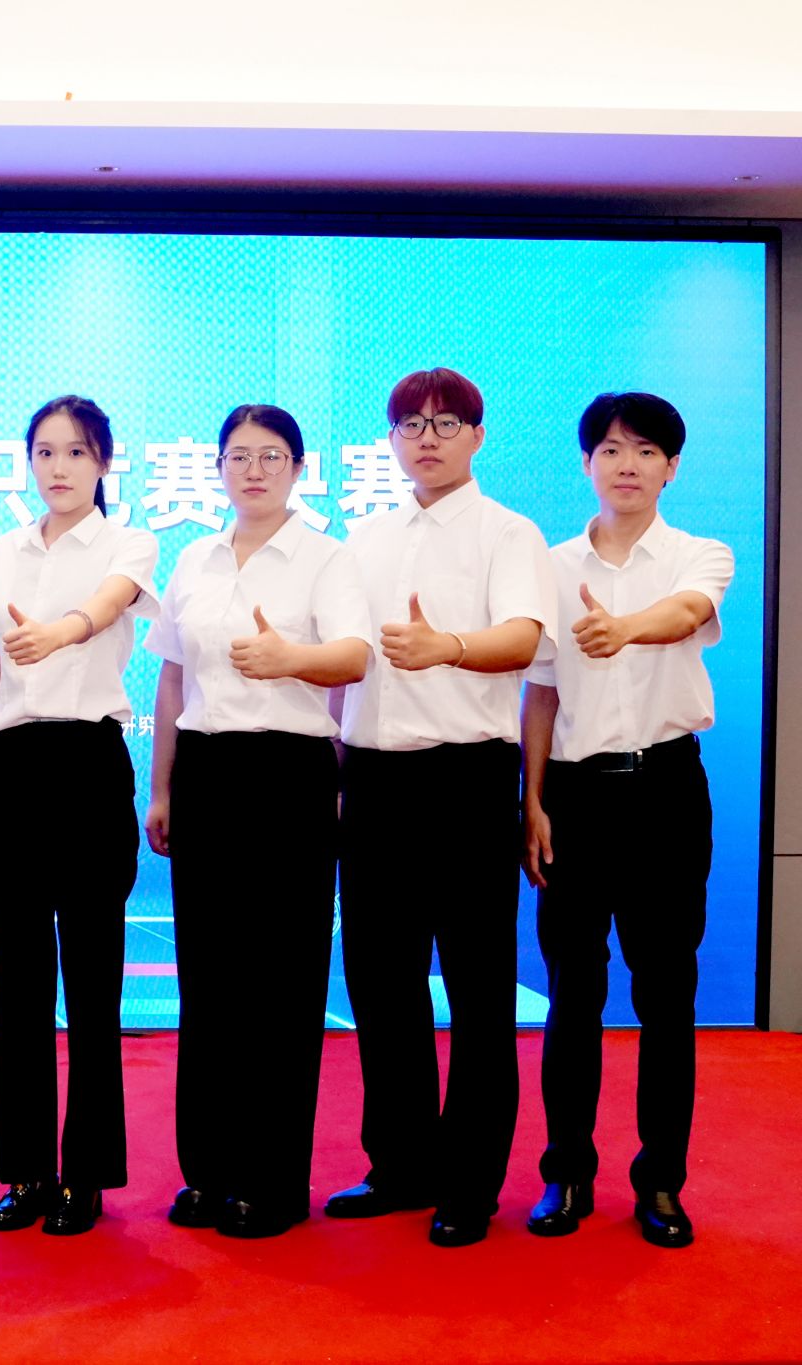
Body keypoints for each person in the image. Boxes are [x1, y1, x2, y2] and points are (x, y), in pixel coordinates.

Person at [326, 367, 555, 1248]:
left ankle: (470, 1182)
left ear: (477, 435)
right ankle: (400, 1164)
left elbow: (524, 640)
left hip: (466, 778)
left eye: (446, 422)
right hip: (372, 780)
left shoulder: (509, 533)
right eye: (411, 425)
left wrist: (446, 646)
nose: (427, 438)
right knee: (381, 984)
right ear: (390, 440)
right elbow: (344, 658)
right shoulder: (363, 539)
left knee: (478, 989)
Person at [142, 403, 371, 1238]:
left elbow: (355, 656)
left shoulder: (326, 557)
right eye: (238, 456)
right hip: (205, 771)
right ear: (218, 469)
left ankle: (273, 1182)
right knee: (208, 980)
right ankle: (208, 1171)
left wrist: (291, 659)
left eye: (271, 456)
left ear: (299, 469)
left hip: (289, 775)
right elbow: (173, 679)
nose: (254, 470)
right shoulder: (195, 558)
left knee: (282, 980)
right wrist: (162, 788)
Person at [520, 392, 732, 1249]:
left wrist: (624, 630)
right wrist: (532, 800)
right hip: (573, 794)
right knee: (572, 991)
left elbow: (686, 614)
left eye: (646, 450)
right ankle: (566, 1173)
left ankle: (661, 1182)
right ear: (587, 464)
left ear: (671, 467)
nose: (628, 465)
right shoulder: (550, 565)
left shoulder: (699, 554)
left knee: (667, 991)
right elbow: (539, 692)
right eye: (610, 449)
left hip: (666, 790)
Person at [0, 394, 156, 1236]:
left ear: (103, 461)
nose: (59, 467)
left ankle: (88, 1175)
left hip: (88, 762)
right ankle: (28, 1171)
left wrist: (62, 632)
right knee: (19, 980)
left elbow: (106, 606)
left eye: (76, 451)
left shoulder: (128, 541)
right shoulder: (5, 548)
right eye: (44, 451)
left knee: (94, 980)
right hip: (12, 768)